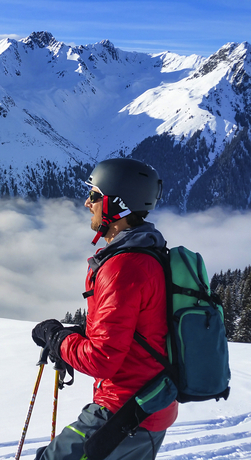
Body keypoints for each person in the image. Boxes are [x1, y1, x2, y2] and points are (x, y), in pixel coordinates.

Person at [31, 158, 177, 460]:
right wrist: (80, 336)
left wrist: (56, 338)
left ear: (118, 204)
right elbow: (137, 330)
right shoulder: (150, 254)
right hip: (153, 405)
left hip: (125, 410)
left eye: (95, 196)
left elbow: (102, 359)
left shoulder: (123, 267)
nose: (87, 203)